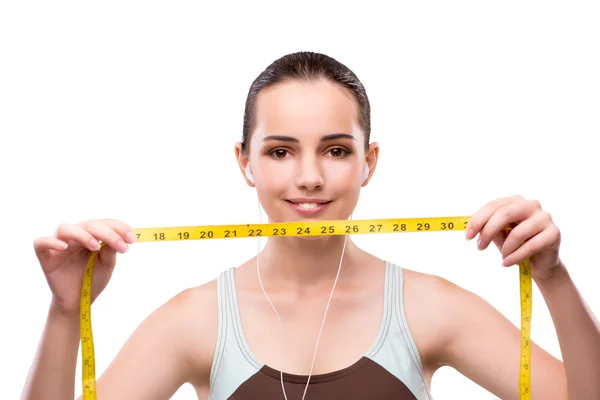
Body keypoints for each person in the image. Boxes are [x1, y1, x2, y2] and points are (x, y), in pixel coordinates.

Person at [21, 51, 599, 400]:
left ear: (368, 163)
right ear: (244, 162)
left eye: (336, 150)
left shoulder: (427, 307)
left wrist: (553, 276)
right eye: (279, 152)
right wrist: (67, 310)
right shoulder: (197, 320)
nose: (309, 176)